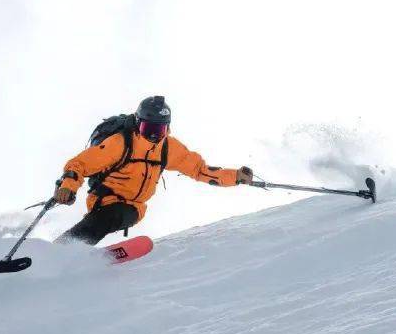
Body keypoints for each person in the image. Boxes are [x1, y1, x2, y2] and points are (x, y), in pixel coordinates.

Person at [53, 96, 253, 245]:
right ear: (138, 124)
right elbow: (80, 164)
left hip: (135, 207)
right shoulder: (121, 142)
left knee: (114, 216)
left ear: (168, 129)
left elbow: (200, 170)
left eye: (160, 130)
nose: (154, 136)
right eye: (148, 129)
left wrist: (235, 176)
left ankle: (70, 250)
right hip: (105, 199)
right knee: (105, 217)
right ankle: (62, 250)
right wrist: (68, 186)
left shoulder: (169, 147)